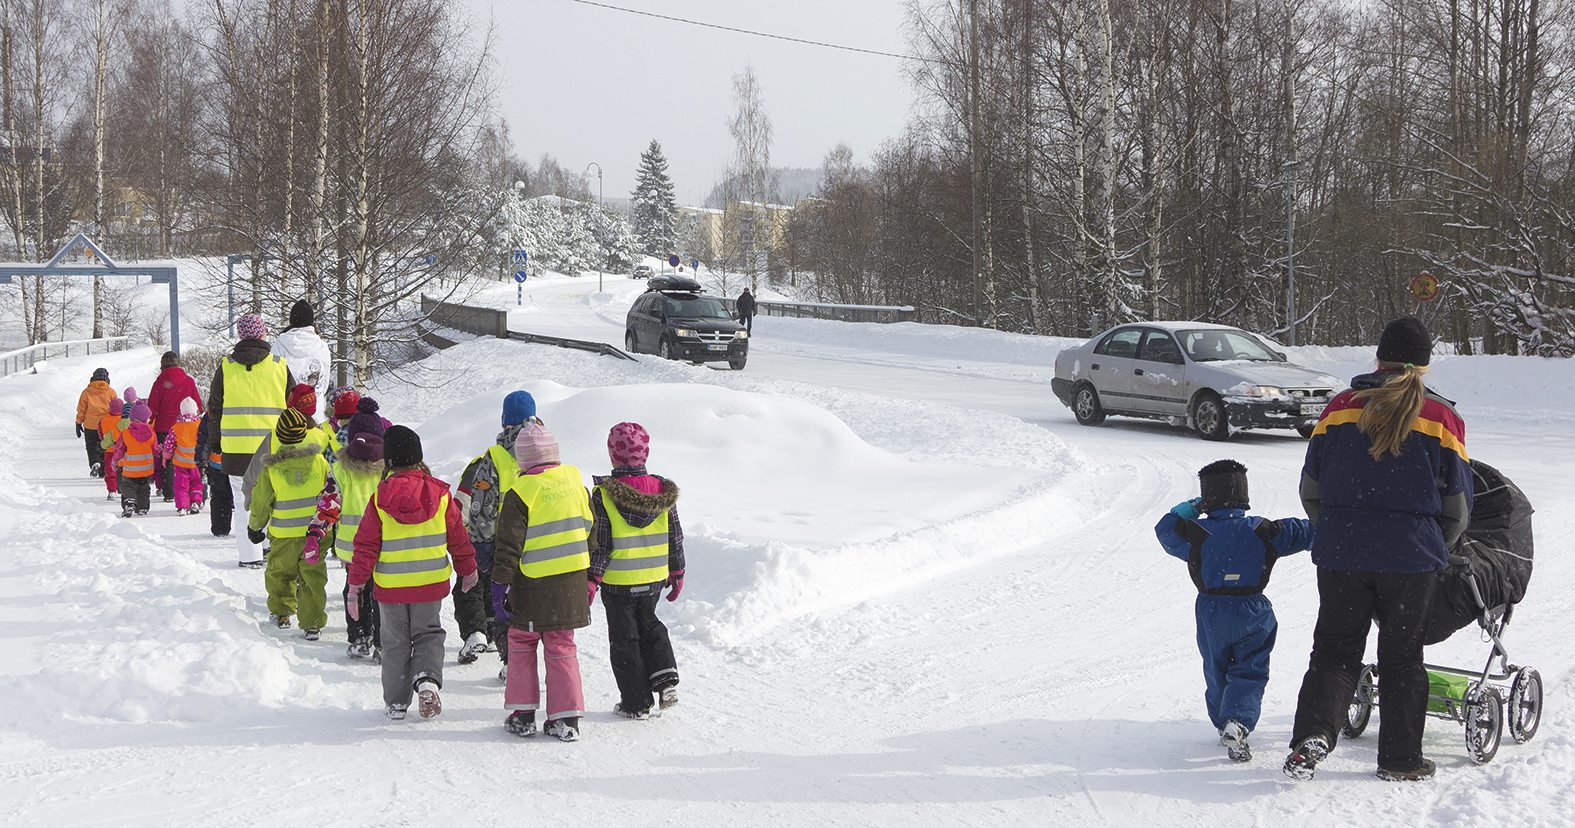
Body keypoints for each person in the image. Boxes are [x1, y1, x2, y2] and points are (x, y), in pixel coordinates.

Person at [1284, 316, 1472, 783]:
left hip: (1342, 554)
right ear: (1424, 367)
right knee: (1403, 657)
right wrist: (1432, 547)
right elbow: (1458, 507)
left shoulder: (1339, 409)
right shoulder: (1442, 418)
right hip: (1411, 558)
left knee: (1333, 651)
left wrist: (1339, 531)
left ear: (1379, 358)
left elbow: (1311, 489)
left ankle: (1313, 737)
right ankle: (1400, 760)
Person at [1155, 460, 1314, 762]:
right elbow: (1308, 531)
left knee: (1216, 668)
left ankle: (1222, 721)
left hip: (1211, 610)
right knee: (1250, 669)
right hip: (1253, 608)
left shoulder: (1197, 532)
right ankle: (1237, 721)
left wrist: (1191, 507)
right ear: (1244, 496)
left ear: (1207, 499)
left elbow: (1165, 530)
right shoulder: (1263, 529)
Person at [347, 426, 478, 720]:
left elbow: (365, 547)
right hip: (429, 584)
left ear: (389, 461)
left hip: (390, 587)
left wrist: (355, 587)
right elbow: (458, 538)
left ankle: (396, 702)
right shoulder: (441, 495)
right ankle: (427, 680)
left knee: (394, 643)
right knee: (428, 634)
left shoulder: (380, 498)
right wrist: (467, 570)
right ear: (418, 457)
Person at [493, 423, 592, 742]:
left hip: (531, 588)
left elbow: (508, 546)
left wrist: (498, 587)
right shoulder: (575, 481)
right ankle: (566, 718)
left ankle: (522, 715)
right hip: (572, 584)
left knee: (521, 643)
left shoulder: (521, 492)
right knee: (562, 646)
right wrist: (590, 579)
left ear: (522, 460)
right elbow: (589, 527)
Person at [589, 422, 686, 720]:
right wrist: (677, 572)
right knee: (651, 625)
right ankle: (666, 679)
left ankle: (636, 702)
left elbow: (602, 544)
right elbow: (675, 536)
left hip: (618, 582)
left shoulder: (603, 495)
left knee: (624, 640)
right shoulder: (663, 492)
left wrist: (592, 580)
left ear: (612, 455)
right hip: (654, 578)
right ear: (645, 453)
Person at [455, 391, 543, 672]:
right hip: (538, 541)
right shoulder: (548, 450)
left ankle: (495, 646)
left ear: (505, 422)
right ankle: (519, 657)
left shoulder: (492, 458)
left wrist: (480, 545)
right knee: (524, 604)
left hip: (501, 543)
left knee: (496, 597)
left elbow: (479, 507)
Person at [209, 312, 295, 568]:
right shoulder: (279, 366)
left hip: (237, 451)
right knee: (274, 498)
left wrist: (216, 443)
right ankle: (270, 545)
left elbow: (214, 409)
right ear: (263, 334)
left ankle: (250, 556)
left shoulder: (226, 367)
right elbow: (293, 407)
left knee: (243, 502)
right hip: (274, 449)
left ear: (240, 336)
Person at [247, 408, 332, 638]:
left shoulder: (272, 470)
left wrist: (255, 527)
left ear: (279, 437)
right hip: (316, 534)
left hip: (284, 533)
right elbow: (332, 495)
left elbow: (261, 502)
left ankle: (283, 612)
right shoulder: (321, 463)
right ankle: (312, 622)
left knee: (279, 573)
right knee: (312, 577)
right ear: (305, 435)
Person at [327, 431, 386, 659]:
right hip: (382, 544)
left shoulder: (340, 471)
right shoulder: (387, 472)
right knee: (380, 592)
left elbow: (329, 501)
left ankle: (359, 637)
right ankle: (381, 642)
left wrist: (316, 531)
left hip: (351, 545)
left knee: (355, 589)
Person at [147, 350, 203, 502]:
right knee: (189, 458)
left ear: (162, 366)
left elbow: (153, 406)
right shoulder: (188, 381)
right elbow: (198, 403)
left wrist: (147, 421)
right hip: (187, 427)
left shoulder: (159, 383)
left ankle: (169, 492)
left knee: (166, 459)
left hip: (164, 427)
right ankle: (193, 490)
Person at [274, 299, 334, 412]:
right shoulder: (322, 347)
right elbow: (324, 384)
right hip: (315, 412)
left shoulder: (279, 345)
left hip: (286, 415)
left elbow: (274, 379)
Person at [160, 397, 207, 515]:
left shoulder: (176, 427)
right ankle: (195, 502)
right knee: (196, 482)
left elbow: (168, 444)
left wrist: (166, 455)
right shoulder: (200, 425)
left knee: (181, 485)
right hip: (196, 463)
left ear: (181, 411)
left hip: (181, 463)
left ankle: (182, 506)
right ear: (195, 410)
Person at [113, 402, 157, 517]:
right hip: (146, 469)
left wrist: (115, 462)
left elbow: (119, 450)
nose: (149, 420)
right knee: (143, 487)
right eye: (148, 418)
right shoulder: (151, 434)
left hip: (130, 468)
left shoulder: (126, 434)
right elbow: (155, 449)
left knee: (128, 485)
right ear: (144, 419)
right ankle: (142, 507)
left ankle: (129, 502)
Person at [75, 367, 114, 477]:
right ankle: (104, 467)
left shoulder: (86, 392)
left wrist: (78, 423)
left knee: (91, 446)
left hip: (90, 425)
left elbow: (81, 409)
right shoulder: (111, 392)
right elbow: (116, 409)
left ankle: (94, 463)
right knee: (104, 446)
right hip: (106, 425)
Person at [198, 415, 231, 536]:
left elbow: (203, 439)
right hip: (240, 461)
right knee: (242, 497)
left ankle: (220, 527)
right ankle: (245, 529)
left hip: (217, 463)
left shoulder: (210, 414)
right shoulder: (242, 408)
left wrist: (200, 459)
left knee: (219, 496)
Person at [98, 398, 124, 501]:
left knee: (110, 470)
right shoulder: (123, 421)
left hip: (109, 450)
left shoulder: (103, 420)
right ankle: (122, 487)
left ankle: (112, 490)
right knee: (122, 469)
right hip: (122, 450)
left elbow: (100, 435)